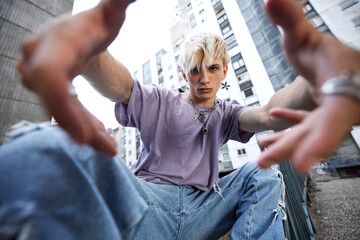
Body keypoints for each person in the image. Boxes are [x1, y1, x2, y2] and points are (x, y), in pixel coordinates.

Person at [0, 0, 358, 239]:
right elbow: (121, 84)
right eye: (195, 70)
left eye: (212, 69)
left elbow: (268, 113)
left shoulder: (227, 112)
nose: (204, 78)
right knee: (45, 142)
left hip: (205, 209)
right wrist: (91, 51)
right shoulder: (159, 100)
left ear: (224, 71)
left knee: (263, 173)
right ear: (184, 73)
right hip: (148, 205)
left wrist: (319, 83)